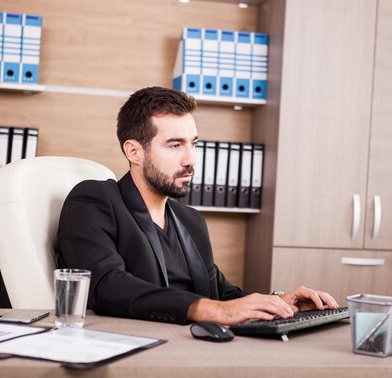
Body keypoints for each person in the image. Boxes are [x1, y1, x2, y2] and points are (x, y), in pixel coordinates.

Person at [56, 86, 338, 325]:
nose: (191, 159)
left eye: (193, 144)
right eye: (175, 145)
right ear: (134, 151)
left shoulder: (190, 220)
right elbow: (107, 286)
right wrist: (211, 310)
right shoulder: (95, 200)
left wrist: (279, 305)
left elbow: (222, 295)